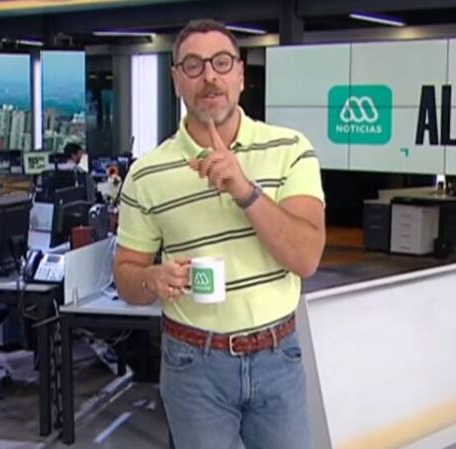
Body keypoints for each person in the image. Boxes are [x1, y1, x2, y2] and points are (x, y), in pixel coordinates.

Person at [113, 19, 325, 449]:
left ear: (240, 74)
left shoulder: (290, 149)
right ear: (176, 79)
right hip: (193, 366)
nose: (209, 76)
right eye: (193, 65)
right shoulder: (146, 174)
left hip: (277, 357)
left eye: (222, 63)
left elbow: (306, 258)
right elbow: (126, 278)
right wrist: (150, 278)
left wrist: (245, 190)